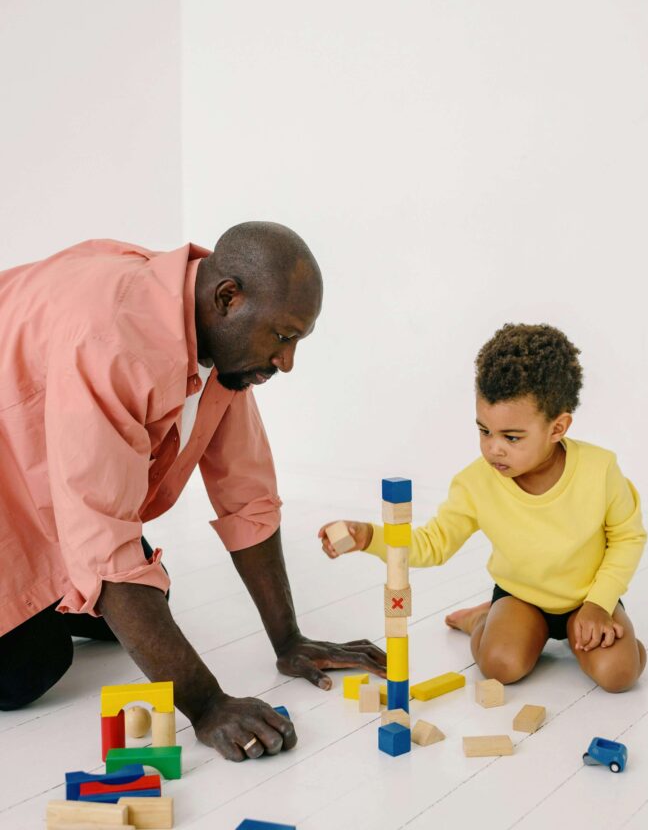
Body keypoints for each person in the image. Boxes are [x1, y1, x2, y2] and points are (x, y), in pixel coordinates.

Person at [0, 222, 385, 761]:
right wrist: (207, 706)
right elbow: (107, 549)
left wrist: (289, 640)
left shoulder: (216, 338)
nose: (288, 361)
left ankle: (57, 588)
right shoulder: (113, 342)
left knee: (148, 600)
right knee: (31, 668)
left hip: (33, 463)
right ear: (229, 297)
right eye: (283, 336)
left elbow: (246, 494)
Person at [319, 323, 647, 692]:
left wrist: (600, 605)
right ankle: (483, 620)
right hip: (521, 598)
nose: (493, 448)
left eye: (511, 437)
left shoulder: (599, 469)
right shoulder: (476, 482)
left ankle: (592, 633)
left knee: (619, 676)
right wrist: (369, 537)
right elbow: (433, 544)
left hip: (588, 597)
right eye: (484, 431)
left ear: (558, 428)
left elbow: (627, 537)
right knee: (500, 666)